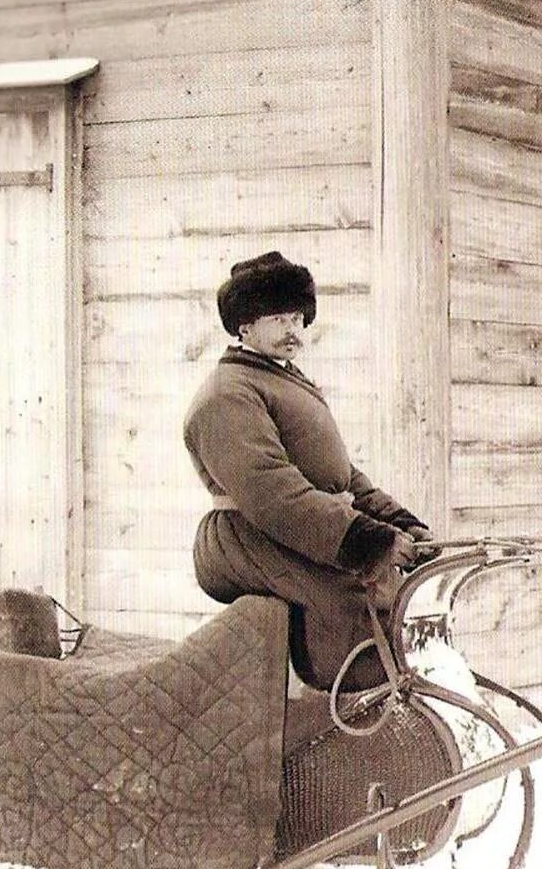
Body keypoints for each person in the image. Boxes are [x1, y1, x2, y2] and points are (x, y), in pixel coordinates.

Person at [183, 251, 438, 693]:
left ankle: (389, 704)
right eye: (278, 319)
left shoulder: (283, 381)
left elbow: (341, 476)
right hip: (244, 533)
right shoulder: (228, 394)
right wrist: (363, 541)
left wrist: (401, 524)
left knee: (388, 587)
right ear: (245, 326)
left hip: (295, 524)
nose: (293, 331)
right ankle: (335, 717)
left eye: (298, 319)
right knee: (352, 594)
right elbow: (272, 492)